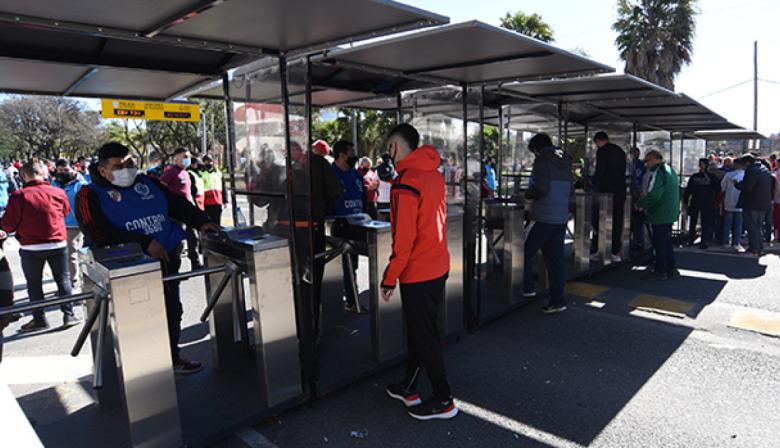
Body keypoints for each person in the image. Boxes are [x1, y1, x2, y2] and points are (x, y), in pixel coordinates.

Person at [76, 143, 218, 374]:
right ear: (102, 170)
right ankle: (142, 370)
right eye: (118, 166)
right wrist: (143, 243)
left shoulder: (148, 182)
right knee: (139, 318)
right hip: (127, 268)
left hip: (166, 259)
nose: (126, 169)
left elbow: (177, 205)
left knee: (172, 309)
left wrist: (202, 221)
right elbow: (97, 232)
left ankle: (172, 356)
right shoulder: (89, 194)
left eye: (130, 163)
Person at [380, 123, 457, 421]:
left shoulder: (406, 182)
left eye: (388, 148)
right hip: (438, 265)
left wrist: (390, 277)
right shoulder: (434, 175)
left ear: (394, 148)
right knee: (422, 331)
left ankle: (444, 399)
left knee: (425, 336)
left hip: (418, 272)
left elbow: (404, 239)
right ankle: (409, 387)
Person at [2, 162, 80, 332]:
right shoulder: (58, 192)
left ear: (24, 176)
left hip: (31, 247)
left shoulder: (19, 196)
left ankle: (39, 320)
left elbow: (8, 225)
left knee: (34, 284)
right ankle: (69, 314)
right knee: (63, 280)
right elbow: (65, 212)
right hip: (58, 243)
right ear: (43, 174)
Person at [521, 133, 573, 314]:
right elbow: (571, 189)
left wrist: (526, 195)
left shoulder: (542, 160)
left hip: (543, 216)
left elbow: (541, 188)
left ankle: (526, 289)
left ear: (536, 149)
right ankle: (558, 300)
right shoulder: (565, 161)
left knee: (523, 252)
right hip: (560, 217)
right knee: (555, 260)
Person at [331, 140, 364, 313]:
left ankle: (351, 299)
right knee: (341, 266)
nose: (354, 156)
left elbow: (363, 195)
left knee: (352, 266)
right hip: (337, 228)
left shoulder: (356, 175)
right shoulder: (330, 174)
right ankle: (349, 300)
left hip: (357, 227)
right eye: (351, 153)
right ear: (342, 155)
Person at [638, 150, 680, 281]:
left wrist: (641, 203)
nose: (646, 164)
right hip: (669, 212)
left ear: (656, 159)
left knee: (659, 242)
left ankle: (660, 271)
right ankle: (671, 268)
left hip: (660, 213)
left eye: (648, 160)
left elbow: (655, 194)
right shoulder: (669, 170)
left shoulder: (659, 172)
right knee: (666, 242)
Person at [160, 148, 203, 268]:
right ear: (176, 158)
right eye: (184, 157)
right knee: (178, 242)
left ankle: (195, 263)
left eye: (188, 157)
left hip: (189, 210)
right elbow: (161, 188)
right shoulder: (171, 171)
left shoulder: (186, 173)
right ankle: (175, 269)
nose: (187, 159)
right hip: (177, 213)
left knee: (193, 237)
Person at [52, 159, 89, 290]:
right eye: (60, 170)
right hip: (60, 224)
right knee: (66, 254)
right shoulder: (54, 184)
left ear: (73, 169)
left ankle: (75, 281)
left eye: (66, 170)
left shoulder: (81, 184)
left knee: (74, 253)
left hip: (77, 223)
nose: (63, 173)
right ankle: (70, 280)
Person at [591, 131, 627, 262]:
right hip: (620, 191)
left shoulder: (602, 152)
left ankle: (600, 250)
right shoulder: (620, 151)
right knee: (617, 221)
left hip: (606, 192)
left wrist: (592, 181)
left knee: (601, 221)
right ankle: (615, 252)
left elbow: (600, 171)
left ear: (599, 141)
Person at [735, 154, 773, 256]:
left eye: (743, 165)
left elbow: (748, 187)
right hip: (763, 203)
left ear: (747, 163)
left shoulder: (752, 171)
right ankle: (759, 248)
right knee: (758, 227)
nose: (742, 167)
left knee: (752, 227)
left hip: (752, 203)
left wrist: (738, 184)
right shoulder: (764, 169)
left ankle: (753, 249)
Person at [682, 158, 720, 249]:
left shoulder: (712, 177)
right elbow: (689, 189)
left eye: (703, 164)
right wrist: (685, 201)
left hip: (707, 202)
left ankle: (704, 241)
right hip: (696, 201)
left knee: (705, 222)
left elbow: (718, 189)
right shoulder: (695, 176)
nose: (701, 166)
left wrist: (714, 200)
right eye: (700, 164)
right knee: (693, 221)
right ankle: (691, 239)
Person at [721, 158, 745, 251]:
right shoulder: (745, 175)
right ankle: (736, 242)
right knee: (738, 224)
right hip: (740, 202)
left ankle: (725, 242)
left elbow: (722, 187)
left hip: (729, 201)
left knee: (727, 224)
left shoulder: (728, 175)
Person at [629, 147, 647, 254]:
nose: (634, 156)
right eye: (632, 153)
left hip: (639, 195)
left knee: (638, 220)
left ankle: (639, 242)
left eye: (636, 153)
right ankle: (631, 240)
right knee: (629, 219)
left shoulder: (642, 166)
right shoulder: (628, 165)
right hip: (629, 194)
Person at [200, 154, 227, 226]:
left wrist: (225, 200)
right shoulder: (201, 173)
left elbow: (223, 187)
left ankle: (217, 235)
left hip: (217, 201)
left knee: (217, 222)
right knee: (208, 222)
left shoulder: (218, 173)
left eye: (210, 161)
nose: (208, 163)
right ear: (203, 162)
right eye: (206, 161)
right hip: (206, 202)